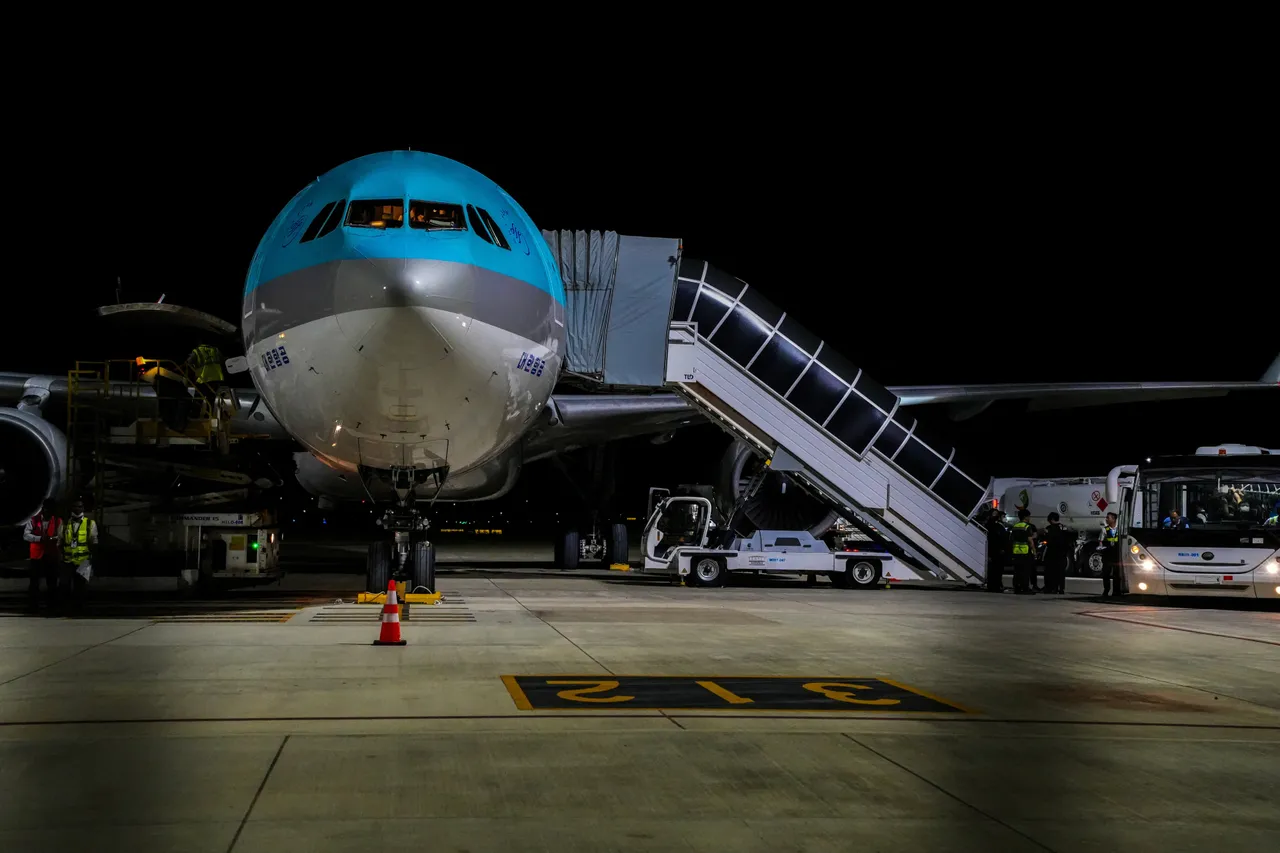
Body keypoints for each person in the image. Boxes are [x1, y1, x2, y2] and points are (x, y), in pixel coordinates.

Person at [22, 500, 62, 610]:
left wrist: (53, 539)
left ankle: (52, 605)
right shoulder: (34, 520)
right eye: (46, 510)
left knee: (52, 581)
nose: (47, 512)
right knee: (34, 582)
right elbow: (26, 536)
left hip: (51, 555)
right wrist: (39, 538)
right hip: (37, 555)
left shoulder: (58, 521)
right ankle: (33, 605)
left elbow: (61, 536)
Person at [60, 498, 98, 611]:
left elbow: (94, 542)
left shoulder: (90, 523)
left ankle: (79, 608)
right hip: (68, 560)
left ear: (83, 508)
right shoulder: (65, 523)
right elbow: (60, 542)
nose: (77, 508)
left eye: (80, 506)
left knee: (81, 587)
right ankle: (66, 607)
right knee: (64, 586)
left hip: (83, 560)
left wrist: (92, 559)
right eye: (75, 506)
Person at [1041, 511, 1073, 594]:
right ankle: (1060, 588)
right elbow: (1069, 539)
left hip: (1052, 552)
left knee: (1050, 571)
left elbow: (1047, 540)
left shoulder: (1049, 529)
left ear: (1051, 520)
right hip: (1062, 553)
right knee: (1061, 572)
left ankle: (1050, 588)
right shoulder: (1064, 527)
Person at [1009, 508, 1038, 594]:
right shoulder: (1027, 526)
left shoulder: (1015, 526)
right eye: (1029, 516)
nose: (1030, 518)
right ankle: (1025, 588)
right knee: (1025, 571)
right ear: (1026, 517)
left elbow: (1011, 539)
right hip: (1025, 552)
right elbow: (1030, 541)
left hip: (1016, 551)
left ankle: (1017, 587)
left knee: (1017, 571)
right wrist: (1034, 551)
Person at [1098, 512, 1123, 597]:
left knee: (1117, 574)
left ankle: (1116, 591)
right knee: (1106, 574)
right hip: (1107, 555)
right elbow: (1100, 541)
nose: (1106, 519)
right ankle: (1106, 590)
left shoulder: (1119, 529)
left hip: (1116, 555)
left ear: (1114, 519)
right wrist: (1101, 548)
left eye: (1108, 518)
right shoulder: (1104, 530)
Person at [985, 508, 1008, 592]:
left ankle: (997, 586)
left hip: (999, 552)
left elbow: (1004, 538)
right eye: (994, 514)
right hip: (992, 551)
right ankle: (992, 586)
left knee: (998, 570)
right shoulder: (989, 526)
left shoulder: (999, 525)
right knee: (992, 570)